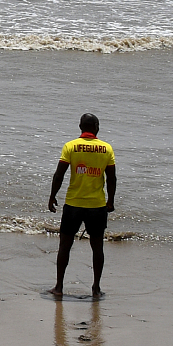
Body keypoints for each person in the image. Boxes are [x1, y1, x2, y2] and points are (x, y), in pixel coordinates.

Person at [47, 113, 117, 298]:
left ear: (80, 127)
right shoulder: (106, 148)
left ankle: (59, 287)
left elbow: (59, 174)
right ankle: (96, 288)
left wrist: (52, 196)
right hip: (97, 205)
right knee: (97, 247)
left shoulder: (71, 146)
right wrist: (110, 201)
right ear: (96, 127)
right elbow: (111, 178)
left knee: (65, 245)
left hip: (73, 204)